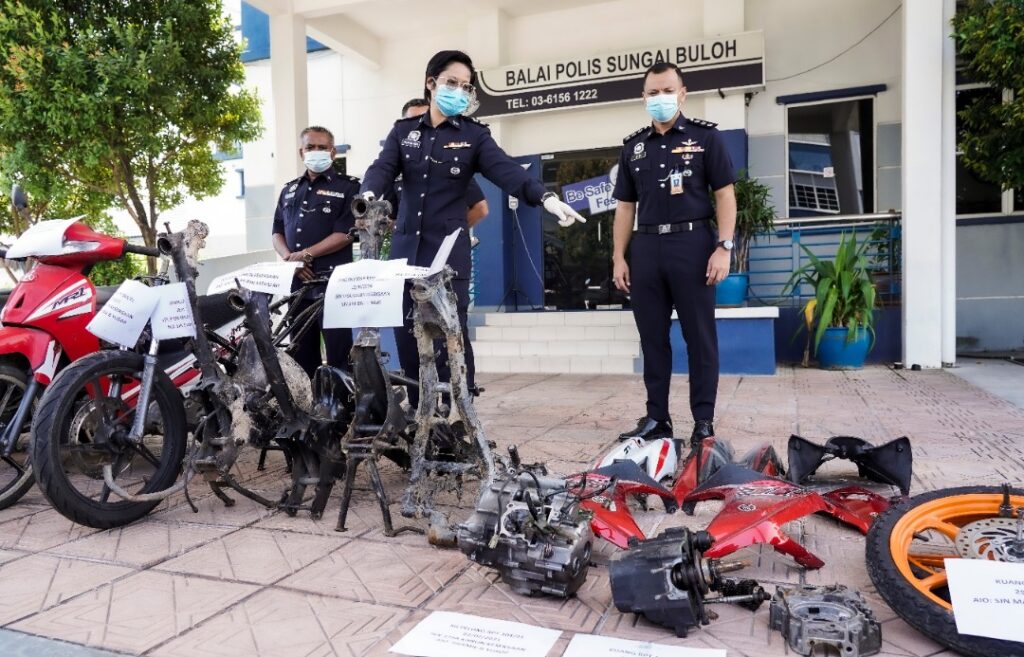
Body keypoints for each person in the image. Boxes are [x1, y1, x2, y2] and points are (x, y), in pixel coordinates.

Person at [360, 50, 585, 405]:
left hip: (448, 260)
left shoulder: (474, 136)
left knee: (450, 338)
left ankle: (456, 420)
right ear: (431, 83)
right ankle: (422, 422)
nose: (459, 92)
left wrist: (544, 197)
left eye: (466, 87)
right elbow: (382, 168)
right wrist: (369, 193)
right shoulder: (403, 133)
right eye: (452, 83)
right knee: (407, 337)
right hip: (404, 257)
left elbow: (506, 170)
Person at [611, 62, 736, 446]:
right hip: (647, 248)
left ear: (682, 93)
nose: (660, 98)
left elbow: (725, 195)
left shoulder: (706, 139)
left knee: (700, 337)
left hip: (694, 244)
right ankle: (657, 418)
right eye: (653, 92)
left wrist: (724, 247)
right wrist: (619, 256)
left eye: (667, 90)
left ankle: (703, 421)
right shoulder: (633, 147)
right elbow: (625, 208)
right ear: (644, 97)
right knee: (652, 338)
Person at [272, 125, 360, 378]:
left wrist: (305, 255)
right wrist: (291, 260)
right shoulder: (289, 190)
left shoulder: (349, 187)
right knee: (301, 355)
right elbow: (276, 231)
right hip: (297, 285)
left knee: (339, 356)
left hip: (332, 285)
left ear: (333, 153)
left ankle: (341, 410)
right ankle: (308, 409)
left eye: (322, 147)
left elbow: (345, 233)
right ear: (301, 152)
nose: (316, 152)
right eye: (310, 147)